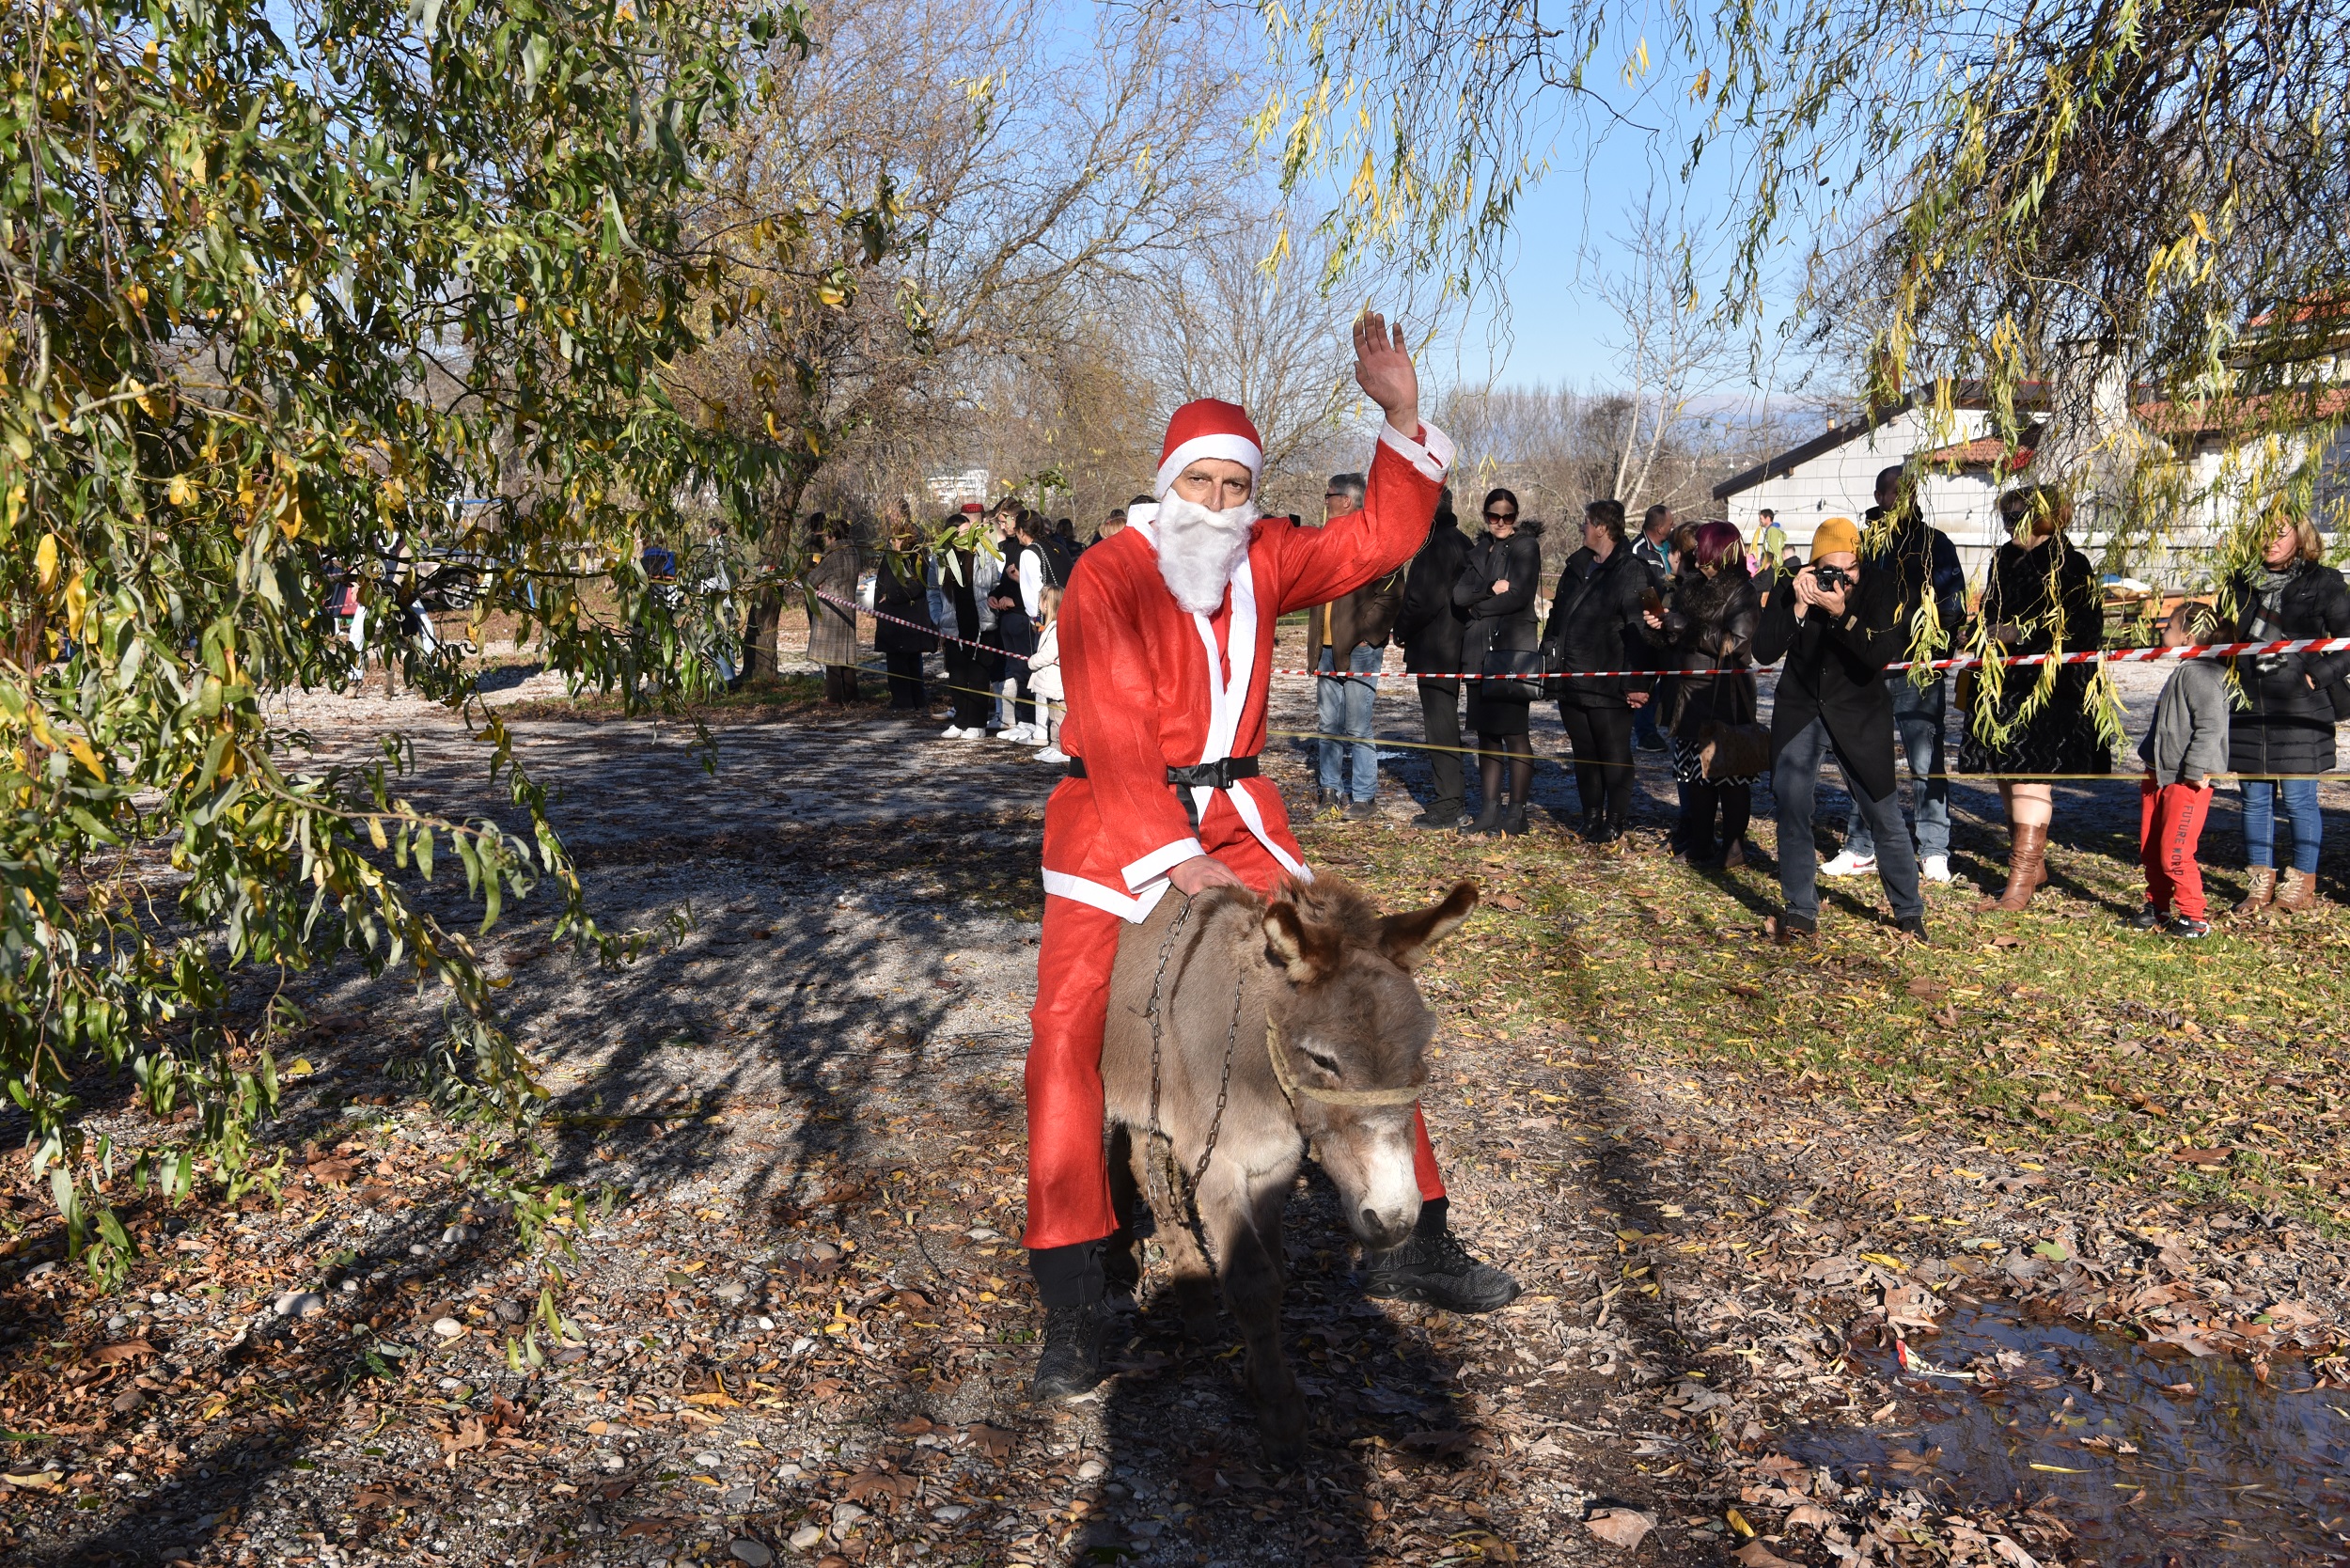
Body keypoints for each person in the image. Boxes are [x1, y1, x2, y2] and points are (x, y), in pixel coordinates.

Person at [1026, 315, 1518, 1403]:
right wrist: (1165, 852)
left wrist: (1397, 417)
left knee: (1354, 992)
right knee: (1065, 1031)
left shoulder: (1266, 556)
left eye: (1229, 486)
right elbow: (1107, 721)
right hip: (1114, 820)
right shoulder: (1109, 574)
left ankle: (1419, 1233)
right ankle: (1071, 1288)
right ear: (1164, 484)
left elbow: (1377, 542)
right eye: (1194, 483)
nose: (1212, 503)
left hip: (1240, 813)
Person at [1753, 516, 1928, 942]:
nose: (1841, 578)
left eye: (1850, 569)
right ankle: (1800, 908)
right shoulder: (1794, 584)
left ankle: (1908, 912)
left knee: (1883, 812)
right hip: (1801, 709)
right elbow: (1762, 650)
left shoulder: (1883, 588)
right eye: (1831, 569)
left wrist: (1842, 614)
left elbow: (1879, 655)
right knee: (1792, 806)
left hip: (1860, 712)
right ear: (1813, 565)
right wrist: (1797, 606)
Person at [1957, 485, 2109, 912]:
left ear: (2044, 518)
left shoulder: (2071, 564)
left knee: (2029, 774)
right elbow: (1993, 610)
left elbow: (2083, 630)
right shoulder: (2003, 559)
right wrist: (1978, 631)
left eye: (2018, 517)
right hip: (2001, 682)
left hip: (2049, 688)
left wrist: (2020, 634)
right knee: (2006, 771)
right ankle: (2034, 866)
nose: (2010, 527)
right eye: (2005, 518)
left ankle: (2020, 881)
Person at [1822, 465, 1966, 886]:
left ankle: (1934, 849)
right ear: (1879, 495)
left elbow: (1951, 603)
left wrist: (1934, 651)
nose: (1900, 500)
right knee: (1866, 757)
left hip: (1917, 670)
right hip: (1867, 667)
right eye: (1893, 493)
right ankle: (1860, 844)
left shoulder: (1935, 545)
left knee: (1925, 761)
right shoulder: (1863, 544)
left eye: (1908, 492)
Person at [2224, 507, 2350, 915]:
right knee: (2254, 800)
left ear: (2301, 536)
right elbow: (2223, 635)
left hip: (2301, 704)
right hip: (2248, 703)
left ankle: (2301, 886)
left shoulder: (2324, 581)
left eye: (2280, 533)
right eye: (2263, 533)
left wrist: (2319, 675)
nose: (2270, 541)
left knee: (2298, 800)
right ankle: (2260, 884)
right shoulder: (2239, 580)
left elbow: (2348, 639)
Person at [1641, 521, 1762, 867]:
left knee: (1730, 777)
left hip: (1724, 695)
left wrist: (1688, 628)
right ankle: (1700, 842)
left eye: (1709, 558)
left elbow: (1737, 644)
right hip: (1688, 695)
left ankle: (1734, 847)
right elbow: (1676, 638)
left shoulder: (1742, 591)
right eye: (1701, 558)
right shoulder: (1692, 586)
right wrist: (1662, 627)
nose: (1703, 565)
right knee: (1695, 777)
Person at [1542, 498, 1653, 843]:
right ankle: (1591, 817)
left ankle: (1615, 821)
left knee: (1613, 753)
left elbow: (1645, 627)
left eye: (1586, 522)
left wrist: (1637, 682)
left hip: (1608, 682)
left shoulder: (1634, 569)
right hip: (1570, 678)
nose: (1582, 528)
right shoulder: (1575, 565)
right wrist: (1549, 664)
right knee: (1584, 753)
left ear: (1602, 528)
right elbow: (1557, 618)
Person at [1306, 471, 1403, 818]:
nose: (1326, 501)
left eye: (1329, 495)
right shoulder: (1326, 539)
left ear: (1345, 500)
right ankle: (1330, 792)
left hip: (1360, 649)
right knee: (1328, 725)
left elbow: (1391, 596)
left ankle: (1364, 797)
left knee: (1358, 726)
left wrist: (1366, 633)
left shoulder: (1373, 541)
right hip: (1326, 648)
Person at [2132, 601, 2232, 937]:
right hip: (2158, 773)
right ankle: (2157, 906)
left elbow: (2211, 725)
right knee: (2150, 846)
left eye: (2169, 626)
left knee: (2175, 851)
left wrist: (2196, 768)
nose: (2163, 630)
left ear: (2188, 636)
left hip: (2185, 781)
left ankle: (2194, 917)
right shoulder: (2184, 668)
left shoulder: (2201, 673)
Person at [1452, 490, 1544, 837]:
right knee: (1487, 736)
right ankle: (1489, 810)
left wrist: (1477, 607)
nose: (1501, 523)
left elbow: (1519, 596)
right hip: (1478, 653)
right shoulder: (1478, 551)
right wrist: (1490, 588)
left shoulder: (1525, 547)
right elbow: (1459, 595)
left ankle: (1516, 812)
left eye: (1507, 517)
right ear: (1486, 515)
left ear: (1516, 517)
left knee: (1515, 734)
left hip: (1511, 653)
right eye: (1494, 516)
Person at [1395, 488, 1474, 828]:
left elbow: (1422, 601)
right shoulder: (1463, 541)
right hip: (1457, 648)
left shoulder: (1435, 546)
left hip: (1436, 650)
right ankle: (1451, 799)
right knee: (1447, 727)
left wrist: (1401, 628)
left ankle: (1449, 805)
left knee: (1440, 728)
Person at [935, 502, 1002, 739]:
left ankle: (977, 723)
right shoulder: (941, 558)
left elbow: (995, 584)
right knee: (957, 674)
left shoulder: (984, 554)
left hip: (981, 623)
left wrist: (993, 604)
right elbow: (934, 592)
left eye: (969, 531)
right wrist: (938, 618)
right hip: (954, 624)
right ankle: (961, 721)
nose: (967, 536)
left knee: (978, 675)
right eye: (962, 532)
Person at [985, 509, 1040, 742]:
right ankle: (1023, 720)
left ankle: (1033, 722)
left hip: (1023, 617)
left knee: (1027, 671)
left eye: (1004, 519)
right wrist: (994, 595)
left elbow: (1038, 588)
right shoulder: (1008, 548)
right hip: (1007, 617)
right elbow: (1007, 582)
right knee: (1016, 671)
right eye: (998, 521)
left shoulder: (1030, 551)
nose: (1002, 524)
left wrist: (1015, 600)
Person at [872, 521, 934, 712]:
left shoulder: (914, 557)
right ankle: (911, 700)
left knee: (905, 663)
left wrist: (892, 596)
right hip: (894, 619)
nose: (891, 542)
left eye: (895, 539)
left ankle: (906, 701)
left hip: (905, 619)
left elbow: (916, 585)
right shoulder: (892, 555)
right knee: (903, 662)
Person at [1629, 505, 1675, 751]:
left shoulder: (1669, 547)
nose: (1673, 527)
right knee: (1645, 678)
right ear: (1659, 527)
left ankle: (1656, 725)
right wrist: (1655, 617)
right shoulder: (1637, 551)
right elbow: (1641, 589)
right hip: (1646, 623)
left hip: (1666, 623)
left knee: (1660, 678)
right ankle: (1645, 733)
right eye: (1670, 524)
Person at [805, 517, 861, 705]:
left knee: (832, 656)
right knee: (846, 656)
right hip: (849, 606)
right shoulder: (853, 552)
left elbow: (811, 580)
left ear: (831, 536)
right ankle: (852, 696)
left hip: (831, 608)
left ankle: (834, 697)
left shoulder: (832, 554)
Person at [1029, 584, 1070, 764]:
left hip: (1057, 683)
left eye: (1041, 600)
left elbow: (1048, 654)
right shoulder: (1052, 626)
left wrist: (1033, 661)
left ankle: (1062, 748)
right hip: (1051, 684)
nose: (1039, 605)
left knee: (1059, 717)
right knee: (1054, 715)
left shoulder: (1057, 628)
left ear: (1048, 603)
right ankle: (1054, 745)